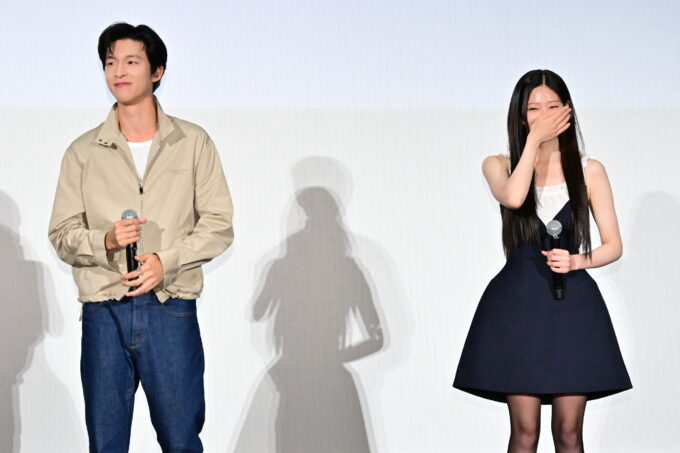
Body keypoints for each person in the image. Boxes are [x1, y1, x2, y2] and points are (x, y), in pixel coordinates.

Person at [48, 23, 234, 452]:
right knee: (106, 443)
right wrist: (105, 241)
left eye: (131, 61)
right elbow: (61, 233)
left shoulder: (192, 142)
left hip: (170, 306)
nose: (118, 71)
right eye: (110, 62)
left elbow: (219, 224)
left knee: (180, 441)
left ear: (157, 71)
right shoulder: (82, 151)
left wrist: (166, 261)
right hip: (104, 309)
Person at [453, 69, 631, 453]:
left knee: (569, 432)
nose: (544, 115)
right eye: (533, 109)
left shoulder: (590, 170)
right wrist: (533, 142)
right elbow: (514, 198)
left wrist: (577, 261)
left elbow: (613, 245)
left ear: (568, 110)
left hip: (574, 307)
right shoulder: (498, 164)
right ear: (521, 115)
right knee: (525, 431)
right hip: (516, 305)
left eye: (552, 106)